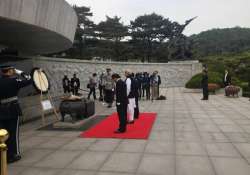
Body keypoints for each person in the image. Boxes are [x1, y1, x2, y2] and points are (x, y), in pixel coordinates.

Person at [0, 65, 32, 163]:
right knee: (13, 133)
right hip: (13, 110)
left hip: (1, 111)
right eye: (12, 70)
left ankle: (2, 155)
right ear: (10, 71)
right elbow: (30, 79)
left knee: (2, 134)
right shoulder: (14, 81)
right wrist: (19, 72)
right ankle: (13, 155)